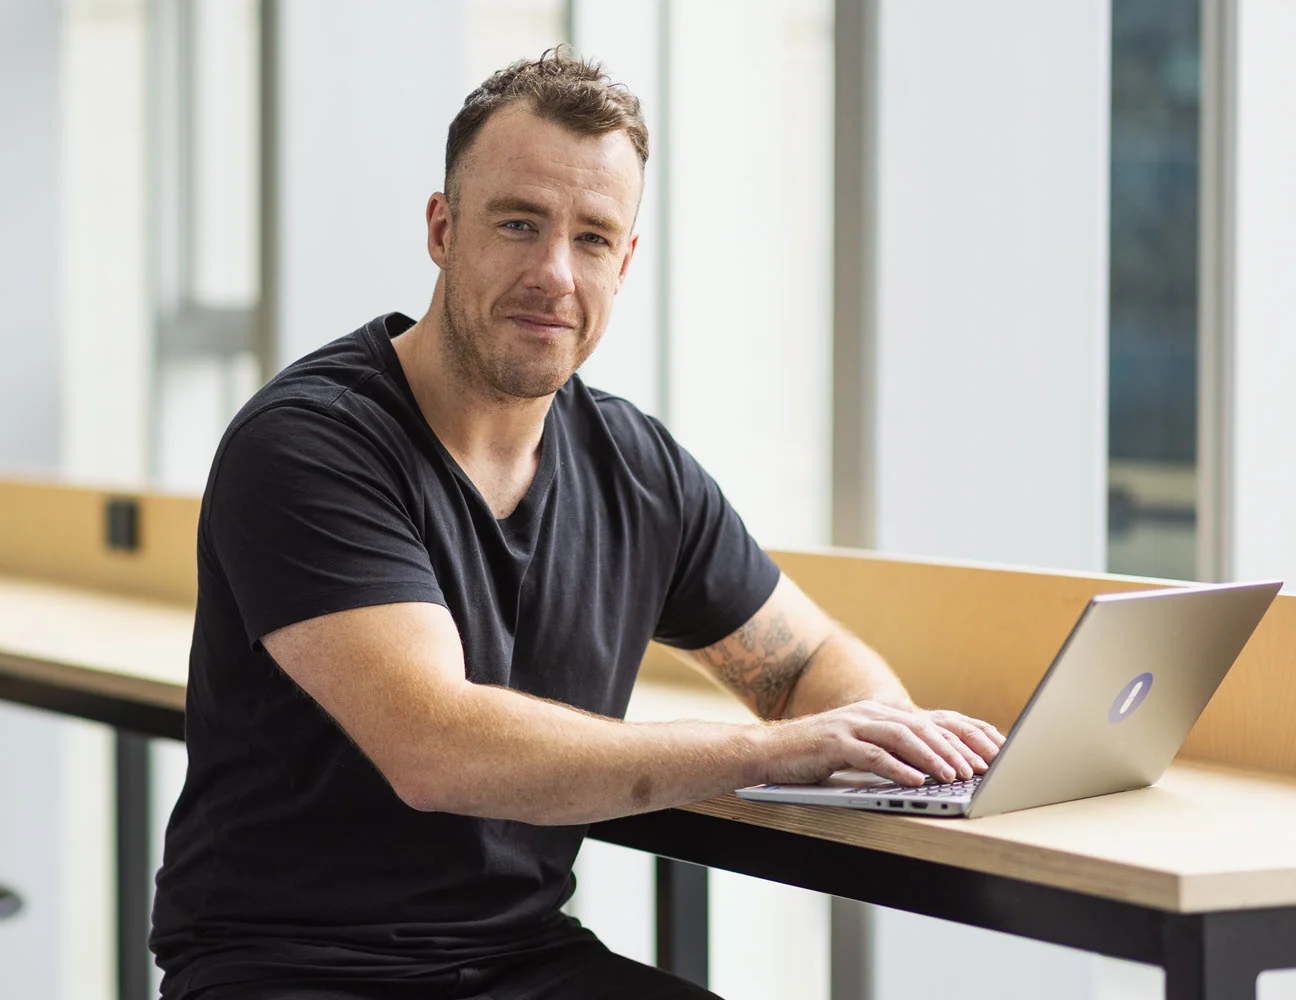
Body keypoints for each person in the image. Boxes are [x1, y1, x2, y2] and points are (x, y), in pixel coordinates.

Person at [151, 49, 1004, 1000]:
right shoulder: (311, 443)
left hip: (520, 960)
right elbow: (438, 747)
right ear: (442, 229)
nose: (554, 274)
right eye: (518, 224)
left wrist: (886, 747)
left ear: (626, 260)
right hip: (290, 967)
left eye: (593, 237)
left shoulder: (637, 470)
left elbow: (805, 667)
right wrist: (776, 750)